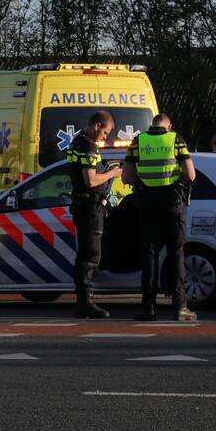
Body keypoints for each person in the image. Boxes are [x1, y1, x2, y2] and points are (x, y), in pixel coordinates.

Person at [122, 113, 197, 322]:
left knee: (149, 254)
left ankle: (148, 307)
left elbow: (126, 176)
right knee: (176, 254)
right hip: (173, 204)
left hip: (147, 204)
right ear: (169, 125)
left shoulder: (138, 141)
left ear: (152, 125)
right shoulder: (176, 139)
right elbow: (191, 175)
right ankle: (181, 307)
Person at [67, 110, 122, 319]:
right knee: (90, 254)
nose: (105, 137)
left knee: (85, 253)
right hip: (89, 206)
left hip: (83, 204)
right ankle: (85, 303)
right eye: (106, 133)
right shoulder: (88, 145)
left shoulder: (78, 141)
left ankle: (84, 300)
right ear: (97, 126)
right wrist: (113, 173)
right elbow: (90, 180)